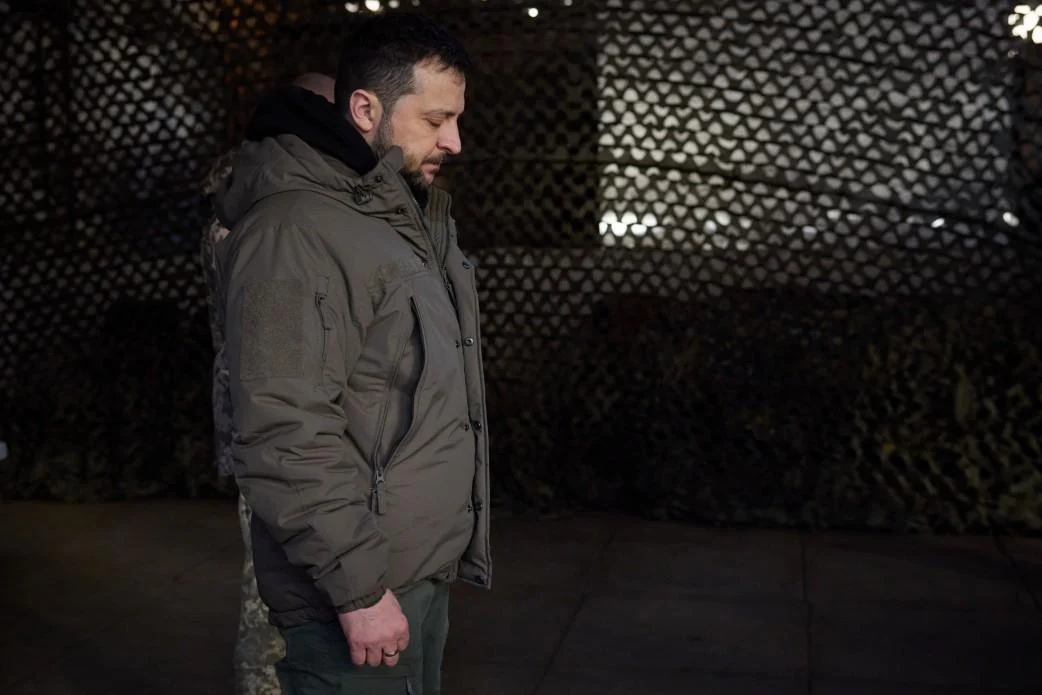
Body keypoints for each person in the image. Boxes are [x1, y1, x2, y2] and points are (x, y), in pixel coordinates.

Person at [211, 12, 492, 695]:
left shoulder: (398, 215)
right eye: (436, 120)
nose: (454, 141)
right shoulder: (293, 233)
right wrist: (358, 588)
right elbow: (283, 426)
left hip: (412, 572)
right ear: (365, 110)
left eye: (456, 119)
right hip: (359, 590)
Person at [201, 72, 337, 695]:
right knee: (273, 591)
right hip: (273, 429)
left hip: (271, 419)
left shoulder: (258, 192)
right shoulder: (264, 214)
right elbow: (275, 360)